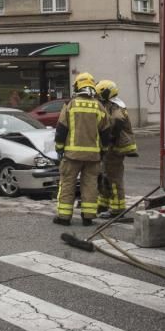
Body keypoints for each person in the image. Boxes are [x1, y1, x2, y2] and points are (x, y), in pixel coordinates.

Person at [53, 73, 111, 226]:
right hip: (93, 156)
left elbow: (61, 129)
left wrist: (59, 148)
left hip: (72, 155)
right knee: (90, 185)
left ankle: (64, 217)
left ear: (78, 86)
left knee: (67, 184)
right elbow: (105, 132)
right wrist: (103, 150)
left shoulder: (70, 105)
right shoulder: (99, 106)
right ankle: (88, 216)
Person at [96, 79, 138, 220]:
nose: (99, 97)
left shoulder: (115, 105)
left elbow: (118, 120)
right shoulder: (114, 103)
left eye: (101, 93)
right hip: (113, 148)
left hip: (115, 148)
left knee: (114, 178)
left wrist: (110, 136)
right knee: (106, 175)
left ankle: (117, 210)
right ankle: (104, 204)